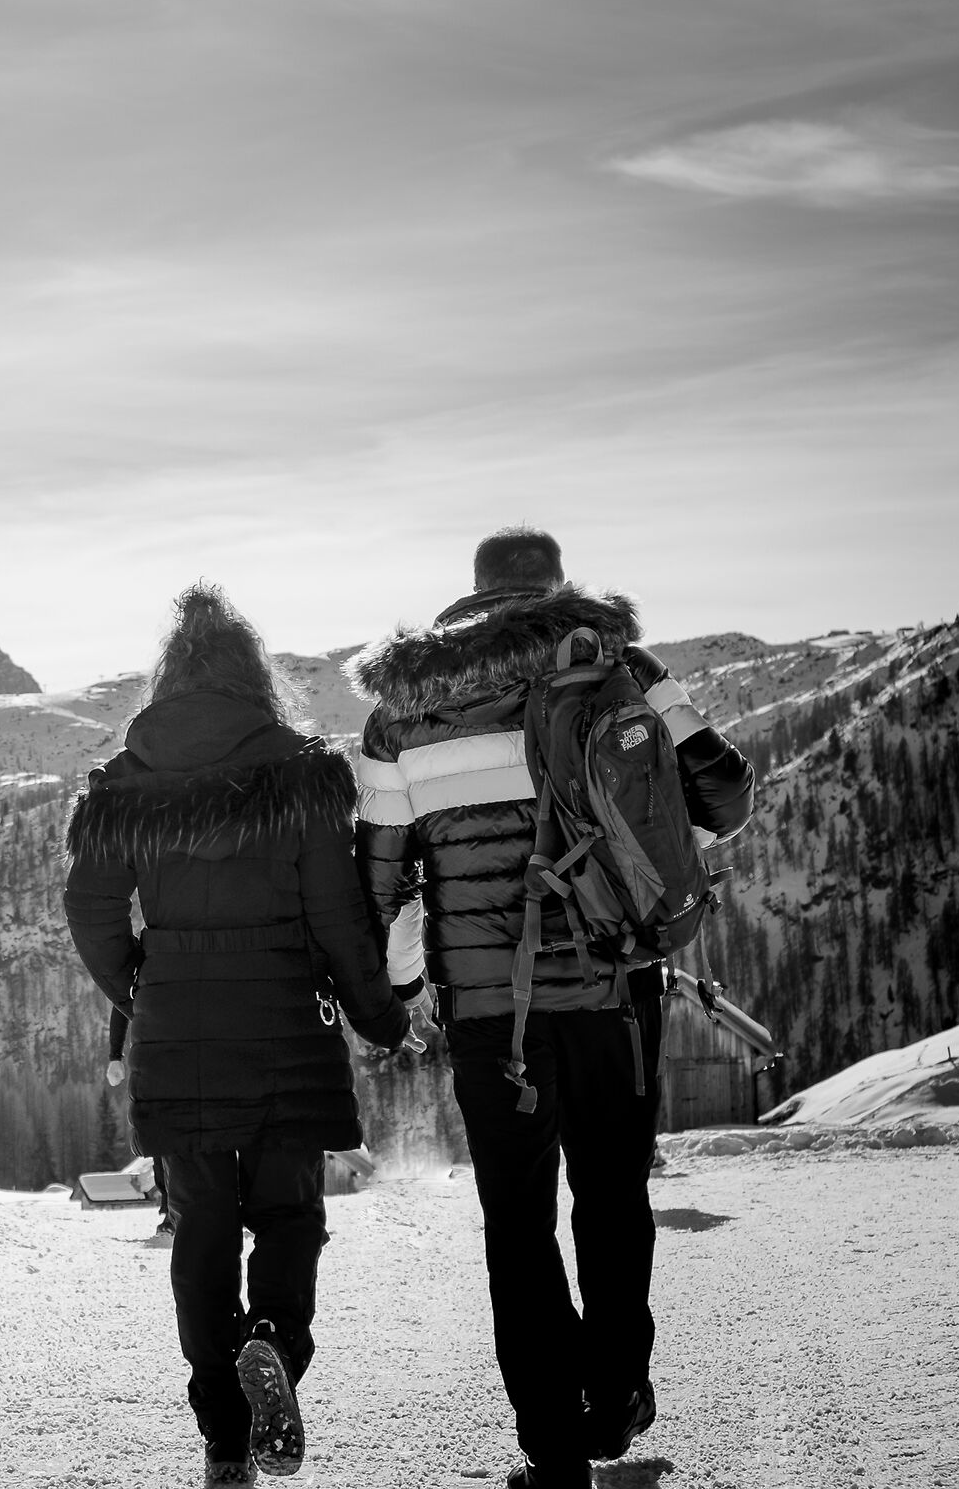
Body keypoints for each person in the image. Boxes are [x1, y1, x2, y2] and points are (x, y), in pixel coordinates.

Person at [346, 528, 755, 1489]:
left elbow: (378, 884)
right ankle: (613, 1398)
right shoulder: (619, 664)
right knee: (613, 1194)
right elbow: (725, 798)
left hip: (490, 1010)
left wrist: (403, 988)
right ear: (556, 586)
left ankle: (553, 1450)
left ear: (472, 595)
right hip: (616, 984)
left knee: (517, 1222)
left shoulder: (401, 710)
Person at [65, 583, 410, 1488]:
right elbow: (337, 917)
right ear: (254, 676)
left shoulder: (127, 783)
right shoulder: (298, 773)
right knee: (290, 1216)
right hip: (287, 1022)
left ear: (169, 678)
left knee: (203, 1229)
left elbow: (91, 910)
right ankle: (275, 1344)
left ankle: (222, 1430)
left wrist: (142, 990)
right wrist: (381, 1015)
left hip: (178, 1026)